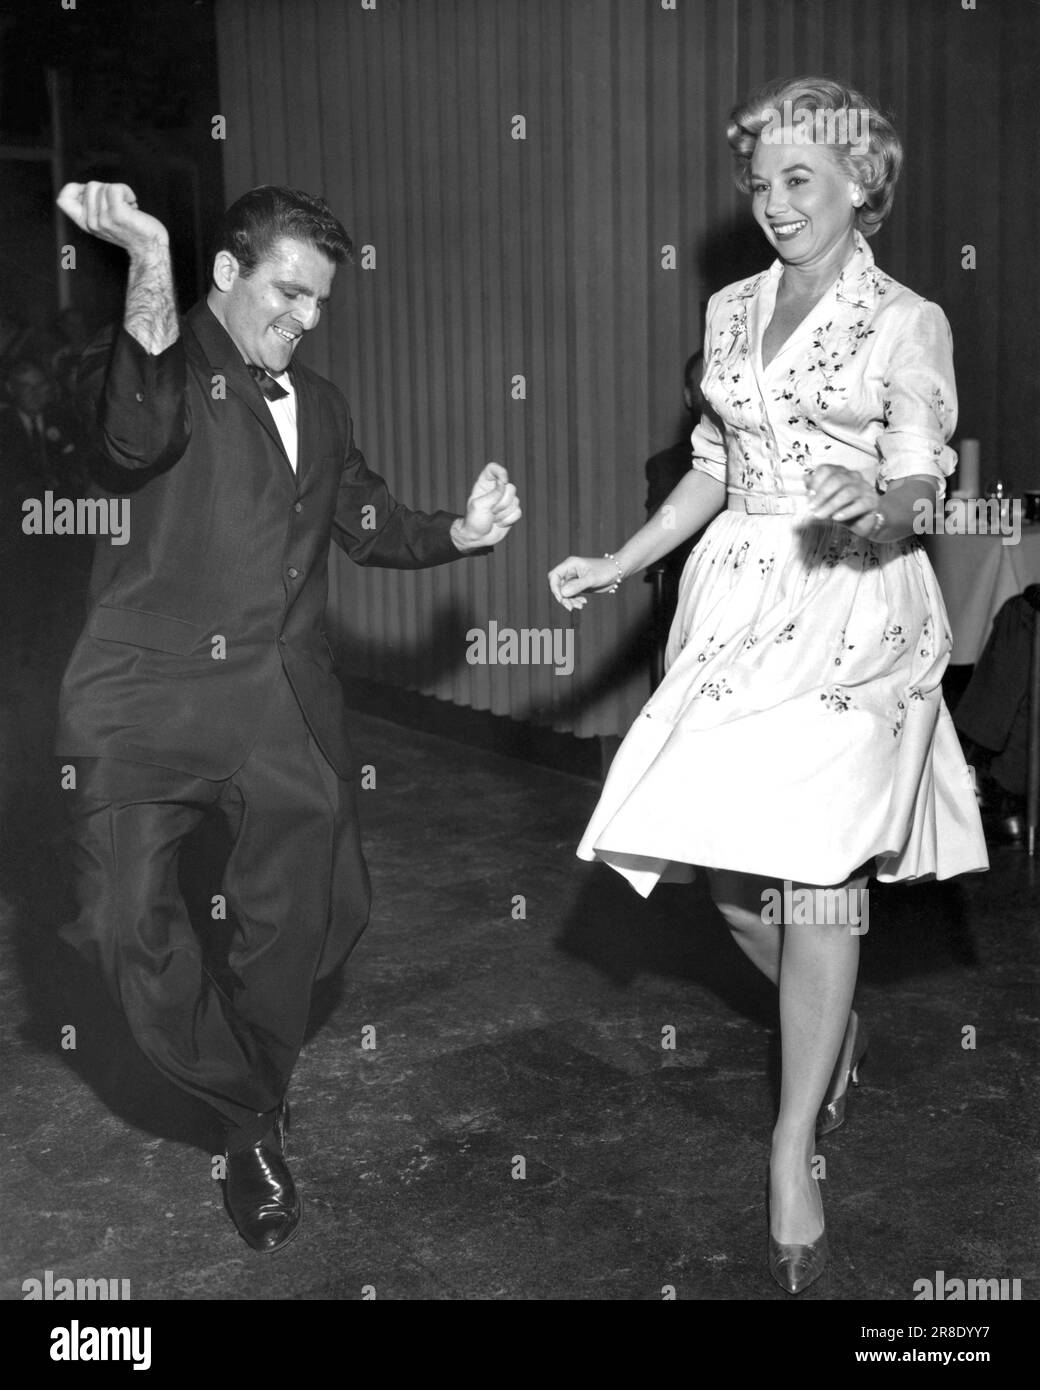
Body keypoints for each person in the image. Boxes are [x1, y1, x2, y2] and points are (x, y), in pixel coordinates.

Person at [549, 76, 987, 1295]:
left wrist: (881, 502)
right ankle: (825, 1031)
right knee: (740, 890)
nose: (773, 202)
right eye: (759, 182)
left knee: (819, 881)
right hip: (738, 598)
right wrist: (622, 556)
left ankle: (791, 1139)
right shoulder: (730, 304)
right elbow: (711, 460)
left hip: (855, 600)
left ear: (862, 185)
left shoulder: (908, 318)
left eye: (800, 178)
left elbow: (921, 478)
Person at [53, 180, 521, 1253]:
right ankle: (248, 1114)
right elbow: (133, 432)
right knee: (121, 930)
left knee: (321, 920)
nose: (305, 319)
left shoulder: (322, 400)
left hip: (279, 705)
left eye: (320, 303)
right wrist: (146, 255)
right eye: (289, 292)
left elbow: (360, 512)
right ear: (226, 273)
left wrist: (460, 530)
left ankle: (249, 1091)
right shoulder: (161, 368)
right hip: (141, 702)